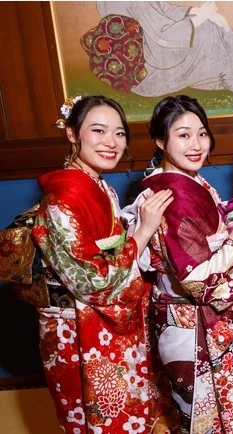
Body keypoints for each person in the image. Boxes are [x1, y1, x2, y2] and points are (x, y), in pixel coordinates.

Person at [30, 96, 176, 432]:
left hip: (104, 322)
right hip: (76, 329)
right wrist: (143, 232)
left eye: (119, 133)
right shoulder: (62, 198)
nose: (111, 142)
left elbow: (107, 247)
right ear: (72, 134)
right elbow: (92, 281)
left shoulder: (101, 187)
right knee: (91, 419)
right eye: (98, 131)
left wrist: (129, 240)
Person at [123, 95, 233, 433]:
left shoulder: (190, 184)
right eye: (183, 135)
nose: (197, 144)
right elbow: (199, 281)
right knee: (202, 421)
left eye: (202, 133)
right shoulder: (173, 198)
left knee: (218, 418)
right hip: (192, 327)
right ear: (160, 141)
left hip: (199, 324)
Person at [84, 1, 233, 101]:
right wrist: (199, 19)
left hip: (166, 53)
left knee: (215, 28)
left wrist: (195, 13)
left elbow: (165, 13)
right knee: (212, 35)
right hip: (154, 69)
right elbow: (162, 38)